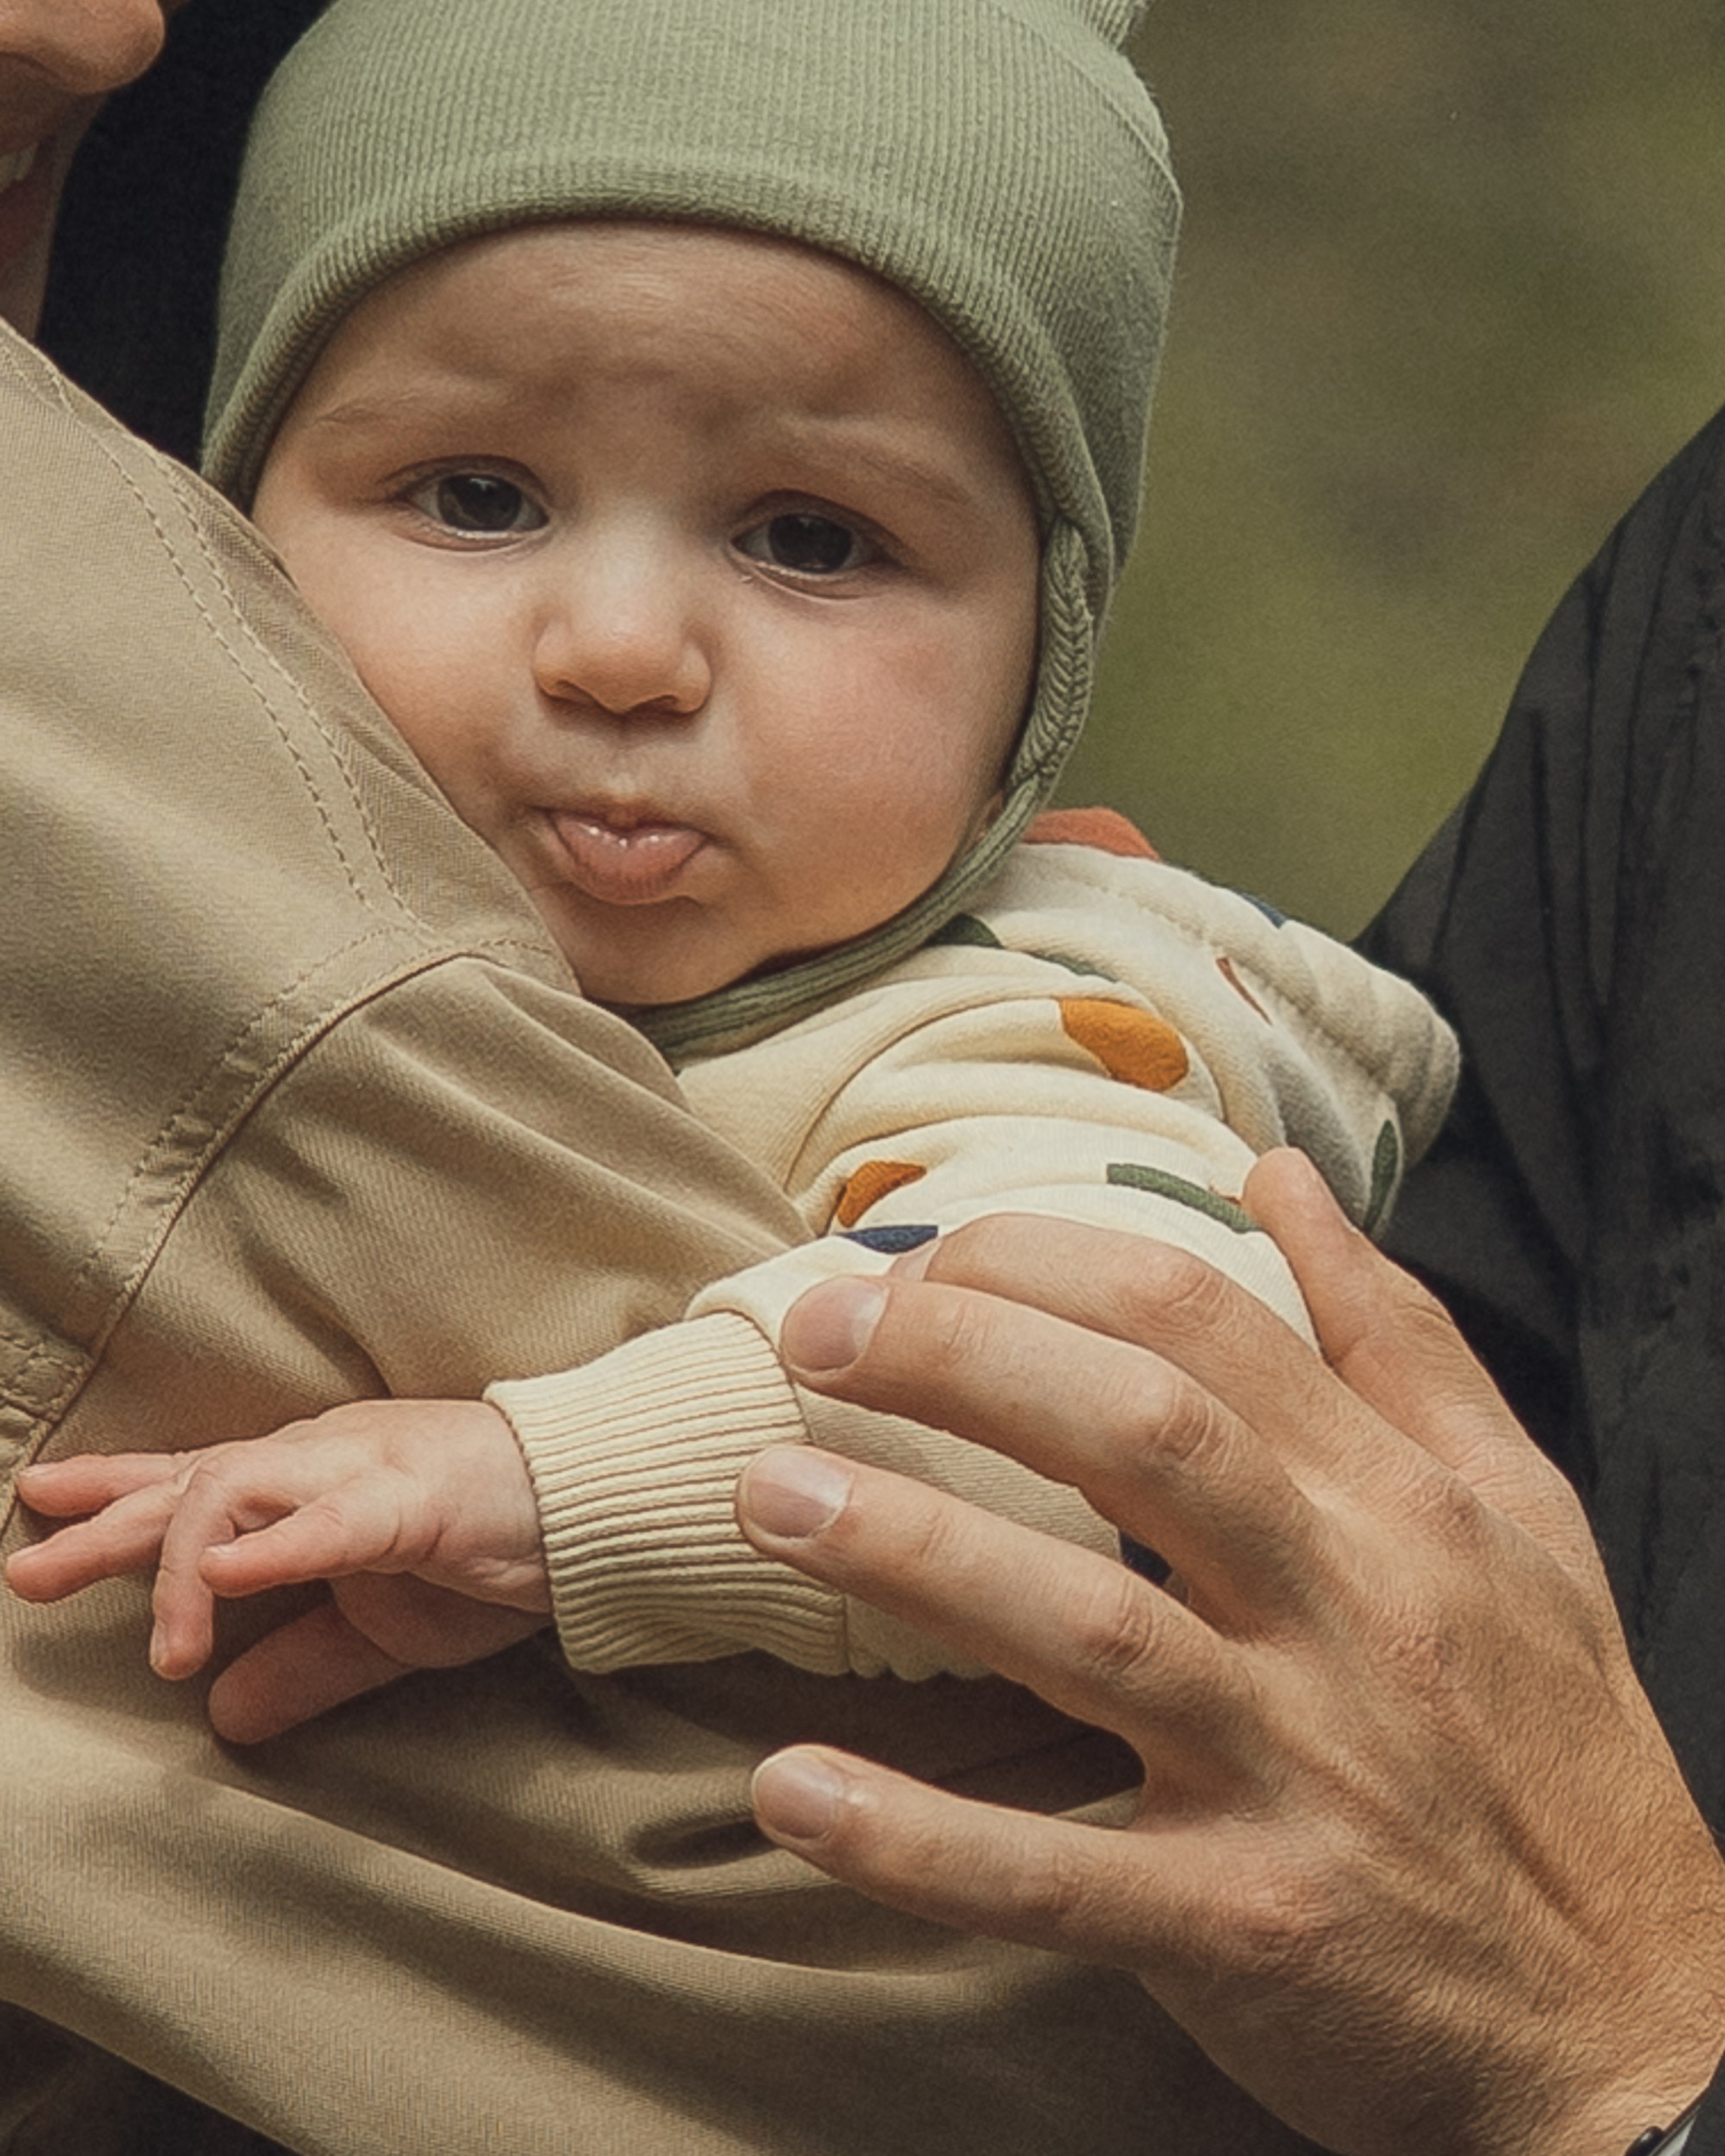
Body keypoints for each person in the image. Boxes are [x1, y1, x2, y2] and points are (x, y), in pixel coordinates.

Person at [0, 3, 1349, 2151]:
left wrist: (545, 1484)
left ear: (1045, 652)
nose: (620, 649)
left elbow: (1113, 1401)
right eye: (476, 495)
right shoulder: (172, 908)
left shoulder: (1030, 1019)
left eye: (811, 539)